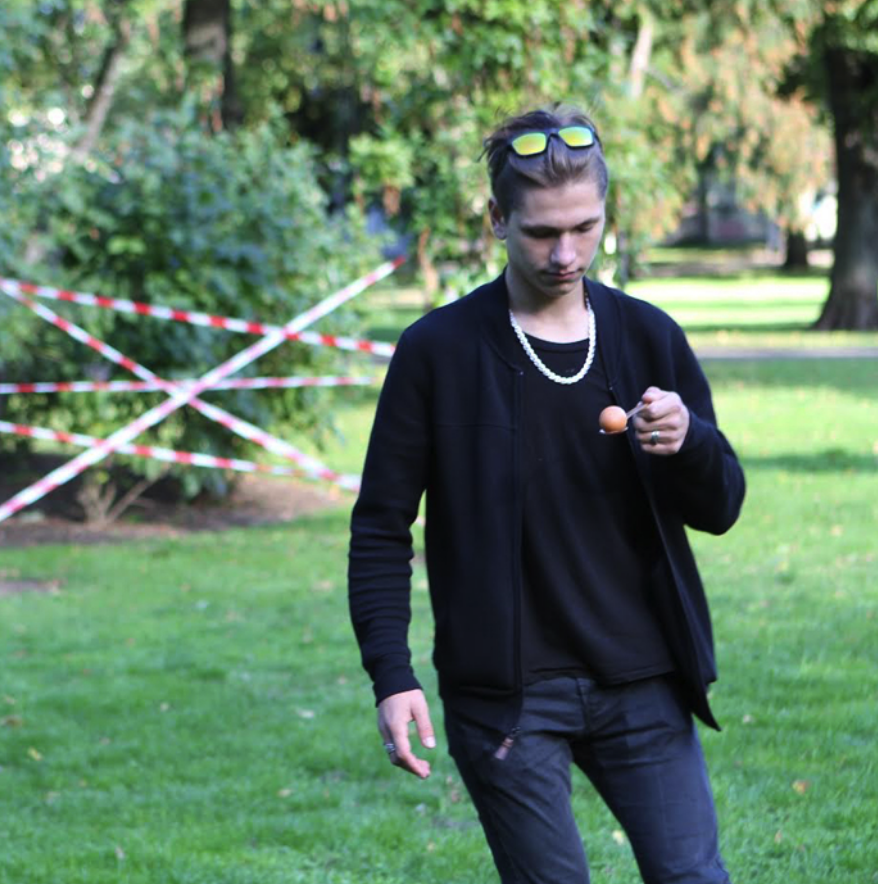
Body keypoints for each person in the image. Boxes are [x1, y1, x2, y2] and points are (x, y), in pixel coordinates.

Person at [348, 105, 746, 884]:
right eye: (540, 232)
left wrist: (689, 442)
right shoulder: (438, 352)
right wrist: (391, 676)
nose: (566, 253)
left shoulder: (648, 336)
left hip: (643, 682)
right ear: (497, 219)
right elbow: (381, 527)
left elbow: (722, 506)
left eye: (585, 227)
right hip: (507, 702)